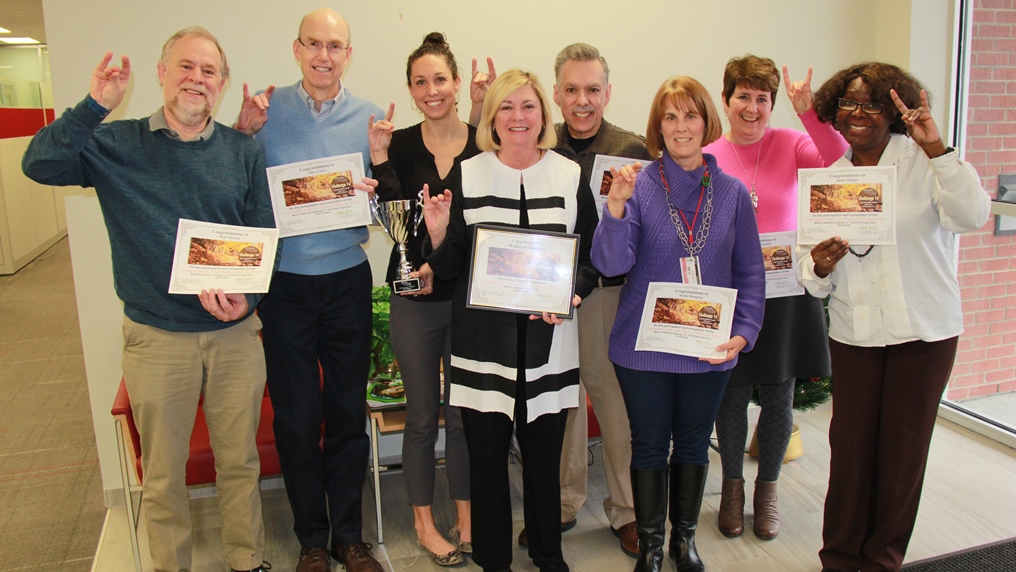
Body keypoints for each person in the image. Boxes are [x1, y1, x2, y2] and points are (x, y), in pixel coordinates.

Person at [22, 27, 273, 572]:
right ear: (161, 73)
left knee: (240, 462)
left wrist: (247, 300)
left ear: (223, 83)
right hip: (157, 339)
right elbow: (38, 165)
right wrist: (93, 106)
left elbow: (261, 237)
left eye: (209, 71)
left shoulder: (243, 150)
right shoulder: (114, 144)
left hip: (234, 337)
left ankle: (247, 558)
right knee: (163, 475)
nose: (196, 79)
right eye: (185, 67)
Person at [803, 62, 990, 572]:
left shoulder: (926, 162)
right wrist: (819, 264)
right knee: (851, 453)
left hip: (924, 333)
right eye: (848, 103)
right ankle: (839, 559)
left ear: (894, 111)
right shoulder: (830, 181)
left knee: (902, 458)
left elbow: (972, 215)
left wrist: (938, 148)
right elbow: (809, 271)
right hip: (855, 332)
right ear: (832, 114)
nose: (859, 114)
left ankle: (882, 559)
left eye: (872, 104)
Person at [421, 69, 598, 572]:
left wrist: (574, 292)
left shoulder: (568, 174)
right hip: (482, 346)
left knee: (544, 466)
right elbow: (452, 262)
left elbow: (592, 254)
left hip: (549, 341)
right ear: (492, 118)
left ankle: (548, 555)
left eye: (528, 106)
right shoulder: (468, 171)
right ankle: (494, 561)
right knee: (487, 465)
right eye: (506, 107)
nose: (518, 117)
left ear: (544, 114)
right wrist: (437, 235)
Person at [592, 76, 766, 572]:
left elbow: (751, 272)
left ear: (707, 122)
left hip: (708, 346)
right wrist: (618, 207)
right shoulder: (638, 184)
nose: (681, 127)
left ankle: (683, 542)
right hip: (642, 347)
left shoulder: (731, 193)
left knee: (692, 444)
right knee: (648, 444)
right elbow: (610, 264)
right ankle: (650, 546)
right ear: (658, 126)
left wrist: (743, 332)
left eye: (691, 115)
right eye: (671, 117)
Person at [232, 8, 384, 572]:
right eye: (314, 44)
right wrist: (241, 132)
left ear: (348, 54)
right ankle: (312, 541)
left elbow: (383, 207)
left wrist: (375, 185)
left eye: (335, 46)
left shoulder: (370, 117)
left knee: (346, 412)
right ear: (297, 49)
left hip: (346, 278)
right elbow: (235, 185)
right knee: (296, 420)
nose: (324, 55)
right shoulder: (265, 115)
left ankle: (350, 537)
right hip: (285, 284)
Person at [702, 55, 847, 540]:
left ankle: (768, 493)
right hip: (734, 293)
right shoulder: (708, 155)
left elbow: (836, 159)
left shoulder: (791, 143)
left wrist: (809, 112)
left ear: (771, 104)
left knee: (780, 396)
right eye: (743, 96)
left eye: (763, 98)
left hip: (787, 291)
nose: (752, 106)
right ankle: (732, 491)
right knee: (734, 395)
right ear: (726, 100)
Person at [524, 42, 652, 558]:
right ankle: (560, 505)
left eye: (592, 90)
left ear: (607, 92)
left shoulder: (633, 150)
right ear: (555, 93)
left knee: (615, 405)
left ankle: (627, 510)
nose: (582, 100)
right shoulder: (533, 143)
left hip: (607, 298)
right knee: (561, 403)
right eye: (571, 90)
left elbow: (645, 230)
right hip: (548, 294)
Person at [367, 32, 480, 567]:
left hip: (468, 295)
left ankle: (466, 517)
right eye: (420, 81)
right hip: (413, 293)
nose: (431, 90)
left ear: (456, 83)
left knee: (462, 415)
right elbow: (391, 220)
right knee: (420, 416)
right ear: (410, 90)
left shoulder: (484, 141)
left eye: (440, 79)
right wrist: (379, 158)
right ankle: (423, 524)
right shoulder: (402, 144)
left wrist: (446, 254)